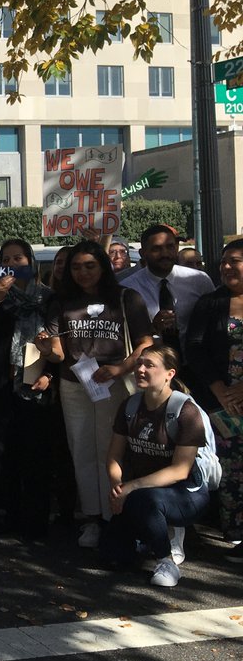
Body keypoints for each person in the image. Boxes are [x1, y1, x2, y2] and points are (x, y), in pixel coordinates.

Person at [45, 241, 153, 548]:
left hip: (115, 382)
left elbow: (146, 342)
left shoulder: (125, 298)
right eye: (76, 267)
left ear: (103, 266)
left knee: (112, 451)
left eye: (90, 265)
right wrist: (45, 346)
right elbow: (56, 350)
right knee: (82, 450)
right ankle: (92, 518)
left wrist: (121, 368)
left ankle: (116, 515)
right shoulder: (63, 301)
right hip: (74, 383)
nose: (82, 273)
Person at [103, 345, 210, 587]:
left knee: (144, 500)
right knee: (113, 557)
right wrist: (117, 488)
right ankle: (149, 534)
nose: (140, 369)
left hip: (186, 494)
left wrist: (131, 487)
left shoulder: (186, 410)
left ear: (169, 373)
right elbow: (114, 456)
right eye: (139, 363)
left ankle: (166, 560)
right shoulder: (130, 406)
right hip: (139, 491)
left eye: (149, 365)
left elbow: (180, 470)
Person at [0, 239, 55, 538]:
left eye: (19, 258)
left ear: (31, 261)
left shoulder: (48, 298)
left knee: (35, 452)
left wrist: (49, 373)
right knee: (3, 451)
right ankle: (5, 514)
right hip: (2, 383)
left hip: (38, 382)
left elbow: (60, 339)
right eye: (7, 259)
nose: (13, 264)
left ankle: (36, 519)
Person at [186, 239, 243, 559]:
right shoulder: (210, 303)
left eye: (235, 261)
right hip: (224, 402)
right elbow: (194, 348)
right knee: (231, 468)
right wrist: (220, 388)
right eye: (223, 261)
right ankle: (234, 531)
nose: (226, 267)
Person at [122, 224, 214, 359]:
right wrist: (152, 328)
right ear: (143, 253)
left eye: (170, 247)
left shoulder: (199, 280)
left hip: (196, 366)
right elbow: (122, 336)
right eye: (156, 249)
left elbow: (214, 321)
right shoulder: (127, 288)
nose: (165, 254)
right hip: (149, 367)